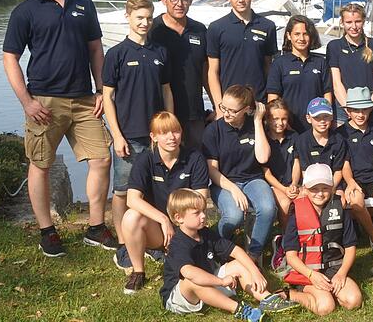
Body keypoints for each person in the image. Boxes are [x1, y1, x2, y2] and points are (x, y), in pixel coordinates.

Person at [3, 0, 115, 257]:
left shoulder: (83, 4)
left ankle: (96, 227)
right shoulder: (26, 11)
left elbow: (96, 49)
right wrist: (26, 101)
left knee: (102, 159)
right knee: (40, 165)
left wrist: (101, 90)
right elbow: (10, 57)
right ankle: (47, 232)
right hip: (44, 101)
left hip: (83, 99)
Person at [103, 0, 173, 260]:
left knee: (154, 190)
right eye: (139, 18)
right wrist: (117, 135)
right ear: (128, 17)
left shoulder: (160, 52)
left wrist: (169, 128)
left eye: (148, 18)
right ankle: (124, 243)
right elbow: (108, 98)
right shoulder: (116, 54)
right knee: (122, 191)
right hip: (129, 136)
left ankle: (153, 242)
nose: (144, 23)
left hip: (156, 135)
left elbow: (167, 92)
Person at [161, 189, 298, 320]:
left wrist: (255, 272)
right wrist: (221, 281)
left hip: (207, 283)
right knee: (191, 281)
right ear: (179, 218)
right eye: (197, 213)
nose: (203, 215)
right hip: (181, 297)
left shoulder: (205, 233)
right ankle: (239, 309)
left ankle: (267, 299)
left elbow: (236, 251)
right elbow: (190, 273)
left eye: (203, 210)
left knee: (238, 264)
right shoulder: (177, 244)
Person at [115, 112, 209, 294]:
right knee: (131, 216)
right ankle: (138, 272)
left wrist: (179, 223)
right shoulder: (145, 159)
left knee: (194, 271)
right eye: (164, 133)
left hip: (187, 227)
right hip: (158, 230)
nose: (171, 137)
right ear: (153, 137)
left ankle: (181, 255)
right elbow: (132, 199)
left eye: (175, 131)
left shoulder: (195, 157)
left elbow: (201, 200)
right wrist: (163, 220)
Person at [203, 85, 274, 266]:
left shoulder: (255, 125)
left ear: (247, 110)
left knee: (267, 208)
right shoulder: (214, 131)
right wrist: (234, 189)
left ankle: (253, 254)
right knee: (233, 216)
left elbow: (263, 157)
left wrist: (258, 122)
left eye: (232, 111)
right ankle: (216, 246)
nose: (226, 114)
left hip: (253, 179)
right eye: (223, 108)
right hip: (224, 182)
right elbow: (212, 170)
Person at [283, 164, 363, 315]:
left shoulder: (341, 210)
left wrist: (341, 273)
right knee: (326, 307)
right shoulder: (296, 214)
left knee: (354, 301)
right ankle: (289, 294)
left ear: (332, 187)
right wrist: (312, 275)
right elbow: (291, 256)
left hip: (334, 269)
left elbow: (350, 248)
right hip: (307, 272)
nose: (320, 193)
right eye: (314, 189)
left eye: (325, 188)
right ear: (305, 189)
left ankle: (330, 291)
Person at [150, 0, 211, 149]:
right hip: (161, 113)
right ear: (164, 0)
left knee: (196, 163)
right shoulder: (152, 30)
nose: (180, 4)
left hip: (194, 113)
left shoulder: (200, 30)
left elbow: (206, 72)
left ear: (191, 1)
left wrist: (217, 106)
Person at [207, 0, 277, 110]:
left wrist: (269, 102)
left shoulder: (267, 26)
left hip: (258, 104)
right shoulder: (216, 28)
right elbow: (212, 71)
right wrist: (219, 106)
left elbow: (268, 68)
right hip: (229, 106)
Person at [336, 87, 373, 259]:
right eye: (356, 110)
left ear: (370, 110)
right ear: (348, 111)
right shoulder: (341, 133)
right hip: (354, 178)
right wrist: (350, 181)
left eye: (364, 109)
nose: (360, 114)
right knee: (356, 200)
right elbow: (344, 162)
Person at [266, 15, 331, 134]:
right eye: (297, 34)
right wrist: (283, 125)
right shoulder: (279, 63)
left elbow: (327, 95)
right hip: (288, 129)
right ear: (288, 36)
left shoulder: (321, 63)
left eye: (305, 34)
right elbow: (273, 99)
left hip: (315, 129)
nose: (301, 38)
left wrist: (325, 119)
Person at [326, 3, 373, 125]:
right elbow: (336, 84)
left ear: (364, 21)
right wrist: (349, 109)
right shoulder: (334, 47)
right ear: (342, 23)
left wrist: (366, 109)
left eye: (358, 21)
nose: (354, 26)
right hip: (343, 107)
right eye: (349, 22)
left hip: (370, 107)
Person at [262, 99, 299, 271]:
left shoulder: (294, 137)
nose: (280, 123)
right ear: (268, 119)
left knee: (306, 200)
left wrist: (294, 184)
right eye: (275, 119)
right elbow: (266, 172)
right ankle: (286, 243)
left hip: (292, 183)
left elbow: (297, 163)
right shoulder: (264, 140)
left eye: (283, 119)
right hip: (272, 185)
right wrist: (284, 189)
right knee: (285, 204)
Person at [291, 97, 349, 189]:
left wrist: (330, 189)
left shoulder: (339, 140)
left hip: (333, 185)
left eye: (326, 116)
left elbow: (338, 171)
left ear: (332, 117)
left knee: (339, 200)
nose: (322, 121)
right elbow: (304, 170)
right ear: (308, 118)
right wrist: (307, 189)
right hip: (310, 186)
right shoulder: (302, 141)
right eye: (317, 117)